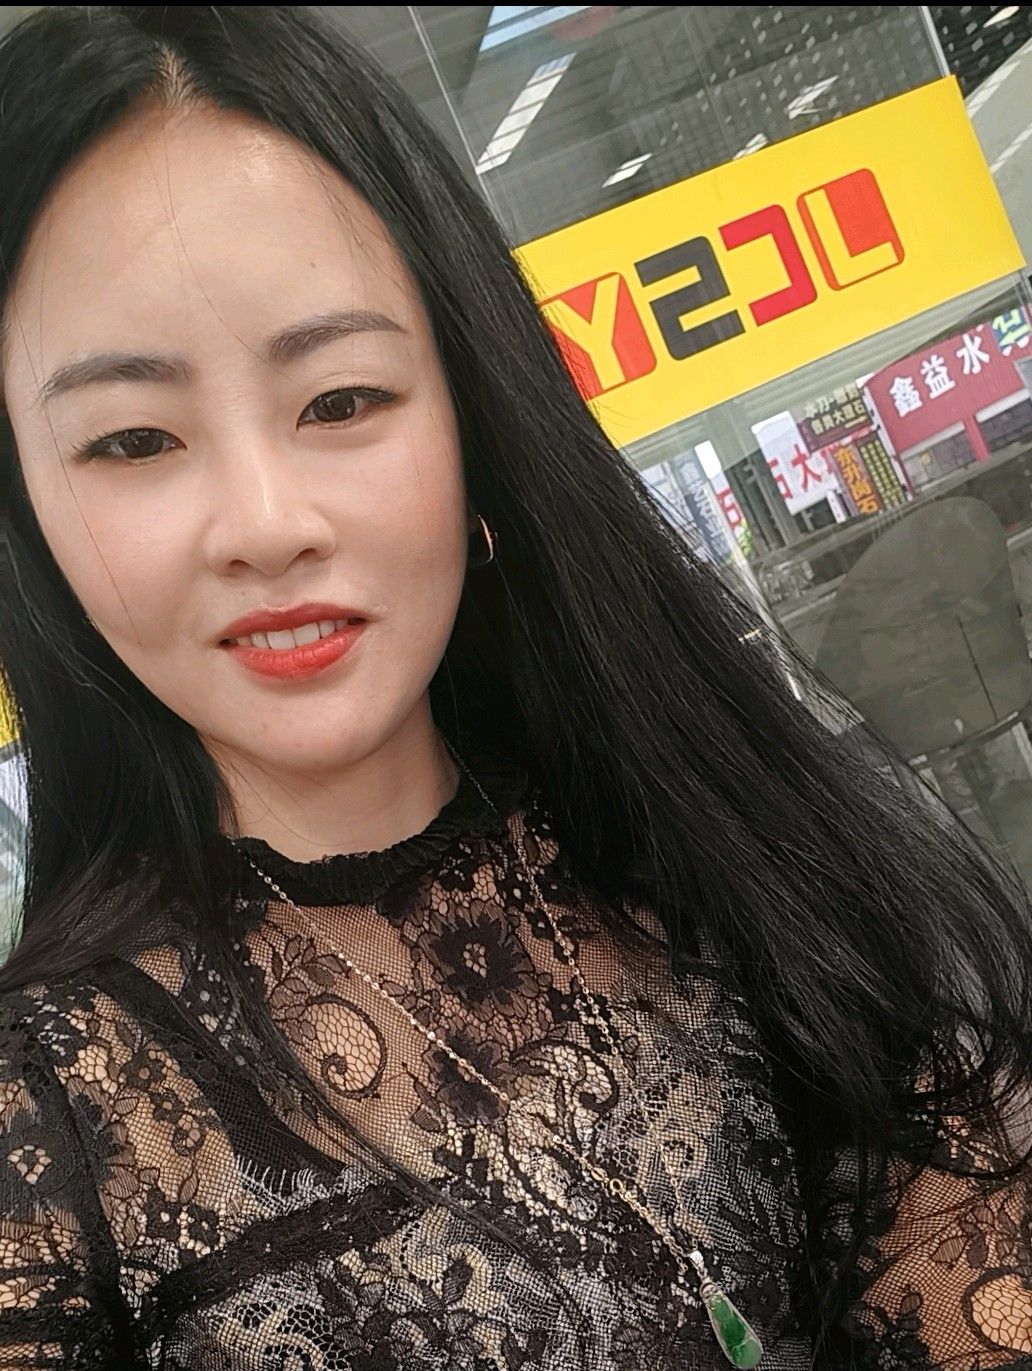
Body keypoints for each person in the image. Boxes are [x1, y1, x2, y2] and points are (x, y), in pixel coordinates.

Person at [0, 7, 1029, 1369]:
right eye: (133, 440)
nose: (263, 523)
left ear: (475, 420)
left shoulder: (729, 862)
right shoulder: (53, 1121)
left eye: (342, 400)